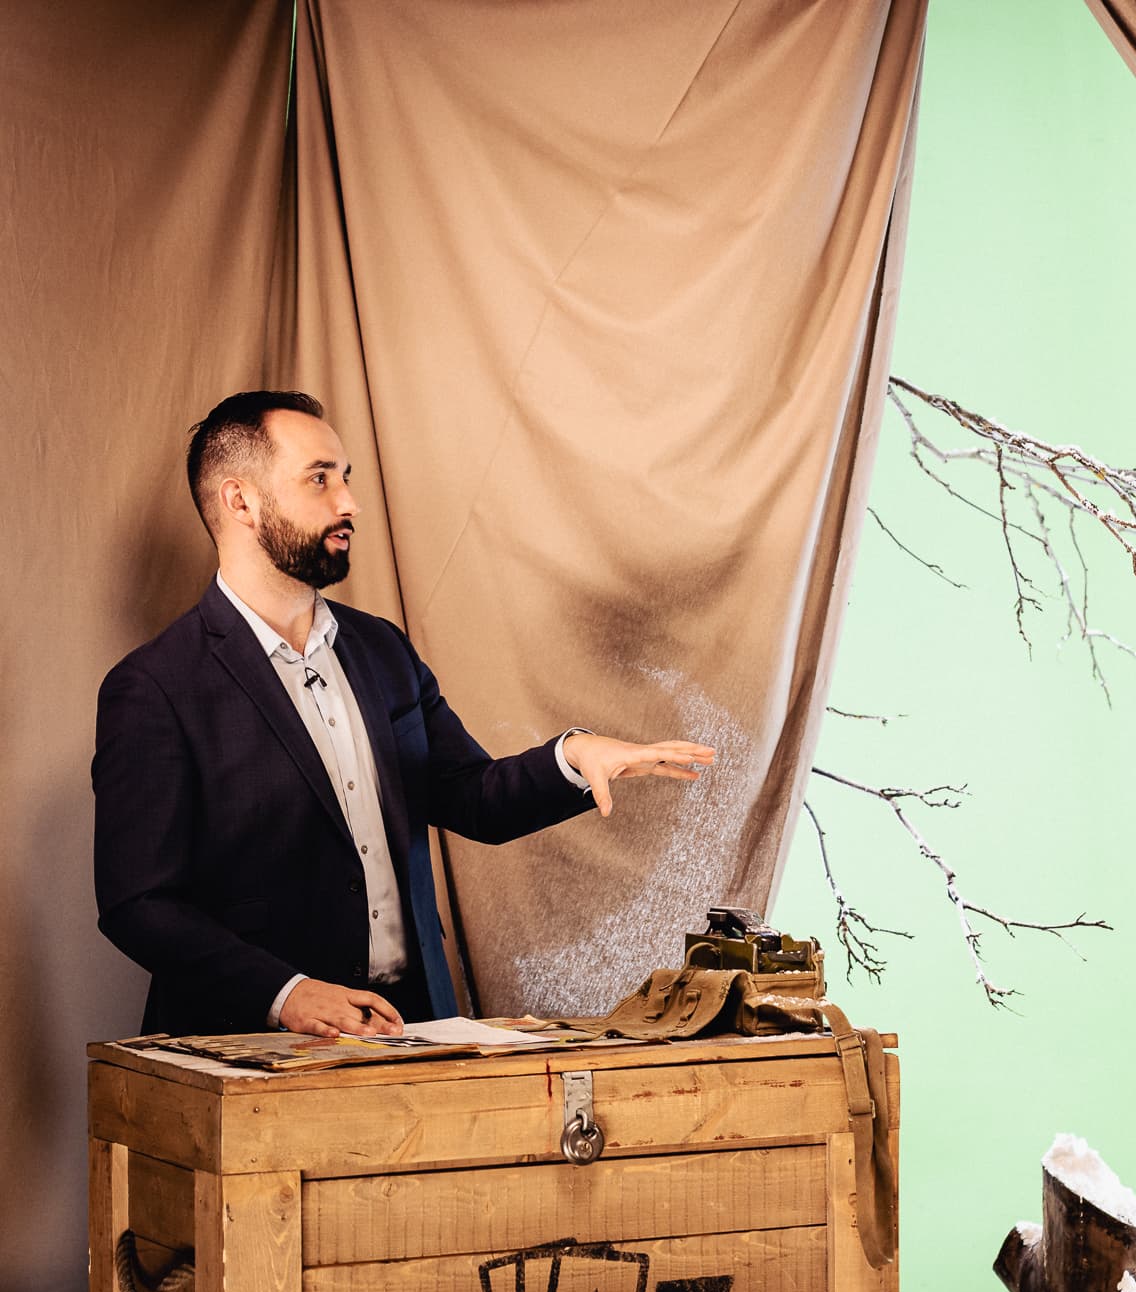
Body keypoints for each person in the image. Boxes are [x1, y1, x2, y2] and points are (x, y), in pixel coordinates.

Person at [92, 390, 716, 1039]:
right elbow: (140, 903)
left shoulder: (382, 649)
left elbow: (472, 797)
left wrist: (573, 758)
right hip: (250, 1046)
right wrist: (286, 994)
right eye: (319, 479)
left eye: (345, 477)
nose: (349, 503)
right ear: (240, 501)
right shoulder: (154, 687)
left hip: (410, 1027)